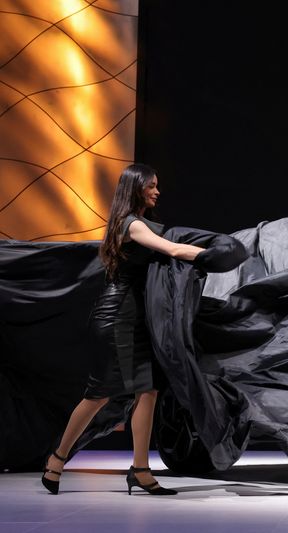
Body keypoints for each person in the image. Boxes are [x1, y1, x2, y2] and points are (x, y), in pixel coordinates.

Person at [41, 164, 204, 496]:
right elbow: (171, 250)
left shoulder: (133, 223)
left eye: (158, 186)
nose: (157, 192)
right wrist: (213, 254)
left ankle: (141, 470)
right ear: (135, 189)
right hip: (116, 318)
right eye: (151, 186)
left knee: (148, 391)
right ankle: (56, 460)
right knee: (99, 395)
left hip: (134, 319)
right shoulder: (132, 225)